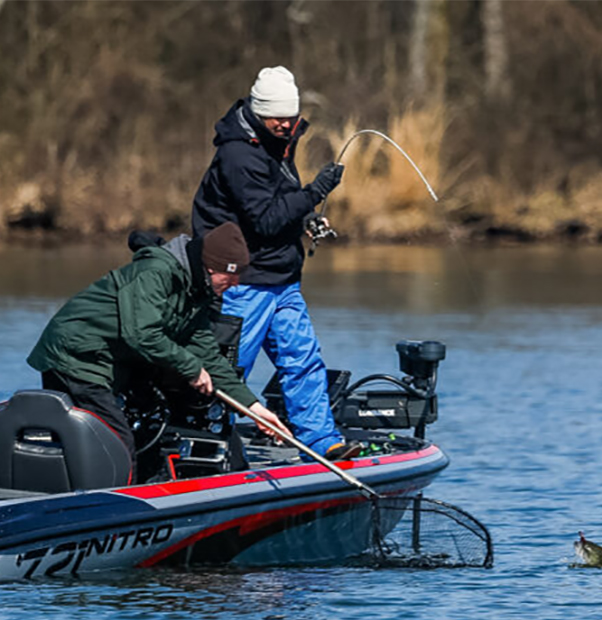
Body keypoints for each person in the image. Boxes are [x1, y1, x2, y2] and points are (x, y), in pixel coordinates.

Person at [191, 65, 358, 460]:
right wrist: (315, 191)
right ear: (259, 112)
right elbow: (264, 219)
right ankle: (204, 445)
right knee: (228, 372)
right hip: (242, 282)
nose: (286, 124)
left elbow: (278, 202)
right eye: (277, 117)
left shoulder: (278, 141)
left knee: (303, 360)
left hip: (282, 278)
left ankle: (321, 441)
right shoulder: (237, 155)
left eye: (291, 116)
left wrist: (305, 217)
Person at [26, 222, 290, 458]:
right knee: (116, 440)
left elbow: (209, 356)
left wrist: (255, 409)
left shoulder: (196, 294)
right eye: (231, 278)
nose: (235, 286)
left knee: (148, 428)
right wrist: (191, 367)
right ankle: (109, 503)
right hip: (76, 355)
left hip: (113, 361)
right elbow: (142, 334)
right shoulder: (155, 272)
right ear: (212, 268)